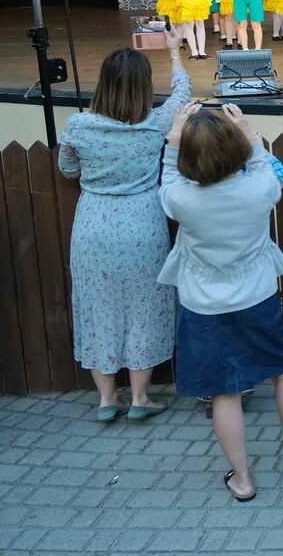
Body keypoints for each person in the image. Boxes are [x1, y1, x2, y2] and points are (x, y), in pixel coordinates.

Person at [160, 103, 283, 501]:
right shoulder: (259, 188)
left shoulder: (182, 199)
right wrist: (248, 131)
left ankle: (242, 479)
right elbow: (268, 166)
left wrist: (174, 136)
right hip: (257, 296)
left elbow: (167, 180)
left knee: (224, 393)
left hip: (203, 304)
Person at [58, 39, 190, 421]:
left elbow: (68, 170)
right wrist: (176, 54)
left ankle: (105, 400)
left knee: (98, 309)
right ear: (144, 86)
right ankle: (140, 398)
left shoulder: (79, 125)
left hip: (93, 227)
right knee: (145, 308)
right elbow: (183, 91)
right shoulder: (157, 123)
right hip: (143, 225)